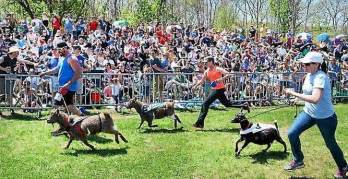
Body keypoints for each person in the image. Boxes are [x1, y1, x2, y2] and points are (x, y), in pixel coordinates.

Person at [284, 52, 347, 178]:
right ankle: (298, 160)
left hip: (325, 117)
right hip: (309, 113)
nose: (304, 66)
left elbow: (315, 98)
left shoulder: (321, 77)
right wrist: (298, 101)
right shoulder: (309, 75)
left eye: (307, 64)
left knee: (330, 143)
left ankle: (343, 167)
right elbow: (309, 95)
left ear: (317, 64)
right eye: (303, 63)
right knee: (292, 133)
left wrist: (294, 94)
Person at [192, 57, 237, 129]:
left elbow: (228, 74)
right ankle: (244, 105)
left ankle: (199, 124)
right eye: (205, 62)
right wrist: (195, 86)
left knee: (205, 104)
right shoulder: (206, 71)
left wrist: (220, 79)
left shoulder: (218, 69)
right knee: (227, 104)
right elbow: (202, 81)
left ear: (211, 62)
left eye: (206, 62)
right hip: (214, 89)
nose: (205, 63)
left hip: (219, 89)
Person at [40, 42, 82, 116]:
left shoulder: (72, 59)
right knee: (68, 105)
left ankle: (64, 119)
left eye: (59, 50)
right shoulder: (62, 58)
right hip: (63, 86)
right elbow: (56, 69)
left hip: (69, 87)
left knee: (57, 103)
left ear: (65, 48)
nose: (58, 52)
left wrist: (68, 84)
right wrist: (45, 73)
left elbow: (78, 73)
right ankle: (80, 117)